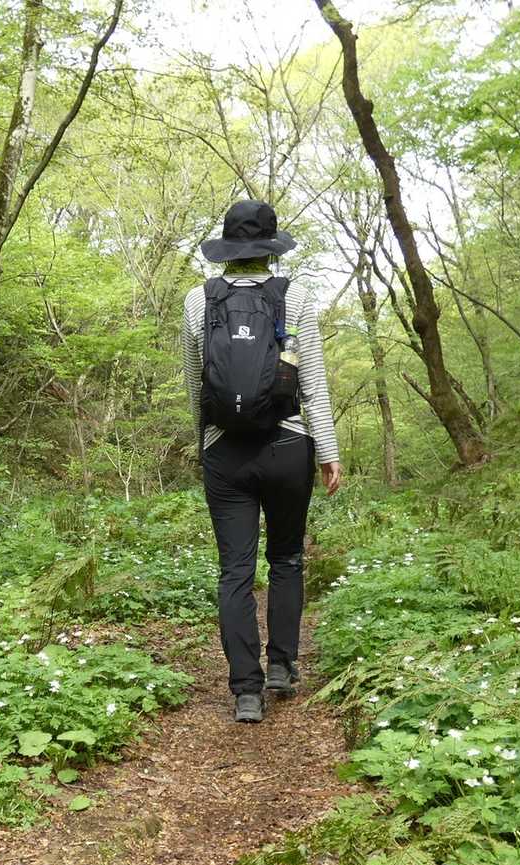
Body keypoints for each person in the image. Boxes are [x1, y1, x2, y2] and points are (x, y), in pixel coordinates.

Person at [181, 199, 341, 724]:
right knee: (288, 558)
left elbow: (196, 383)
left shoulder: (197, 300)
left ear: (226, 249)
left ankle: (245, 691)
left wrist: (205, 443)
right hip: (288, 445)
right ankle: (281, 667)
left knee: (235, 570)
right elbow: (312, 383)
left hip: (225, 450)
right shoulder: (297, 296)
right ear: (271, 248)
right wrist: (328, 451)